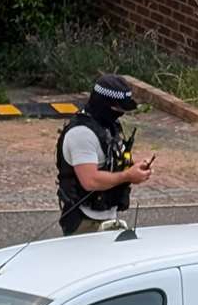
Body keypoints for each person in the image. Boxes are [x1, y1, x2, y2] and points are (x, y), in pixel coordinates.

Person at [57, 75, 154, 235]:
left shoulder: (108, 126)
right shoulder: (81, 134)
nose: (121, 114)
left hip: (108, 217)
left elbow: (114, 158)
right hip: (84, 221)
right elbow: (90, 180)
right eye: (118, 109)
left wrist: (135, 167)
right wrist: (128, 176)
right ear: (104, 105)